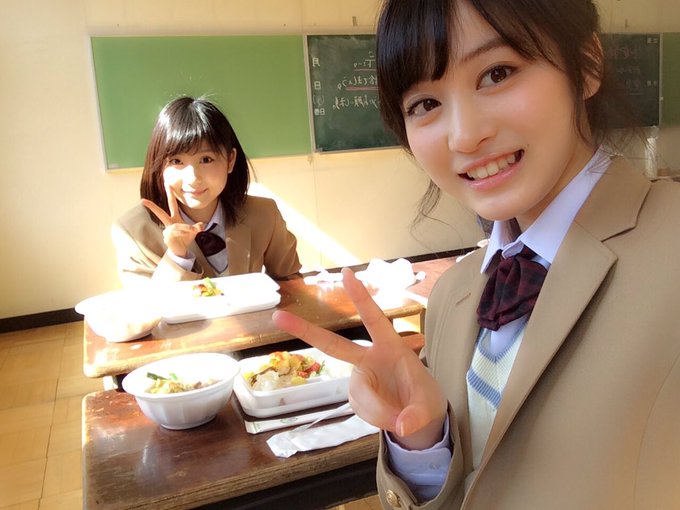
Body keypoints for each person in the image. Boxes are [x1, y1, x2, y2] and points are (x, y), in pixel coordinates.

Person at [272, 0, 680, 508]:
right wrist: (422, 441)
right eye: (425, 104)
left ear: (587, 64)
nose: (465, 136)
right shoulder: (453, 295)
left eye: (497, 73)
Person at [112, 96, 301, 286]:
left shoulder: (264, 214)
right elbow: (146, 304)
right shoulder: (134, 231)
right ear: (160, 166)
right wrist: (177, 256)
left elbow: (292, 284)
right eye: (176, 161)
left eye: (206, 159)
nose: (193, 178)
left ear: (230, 160)